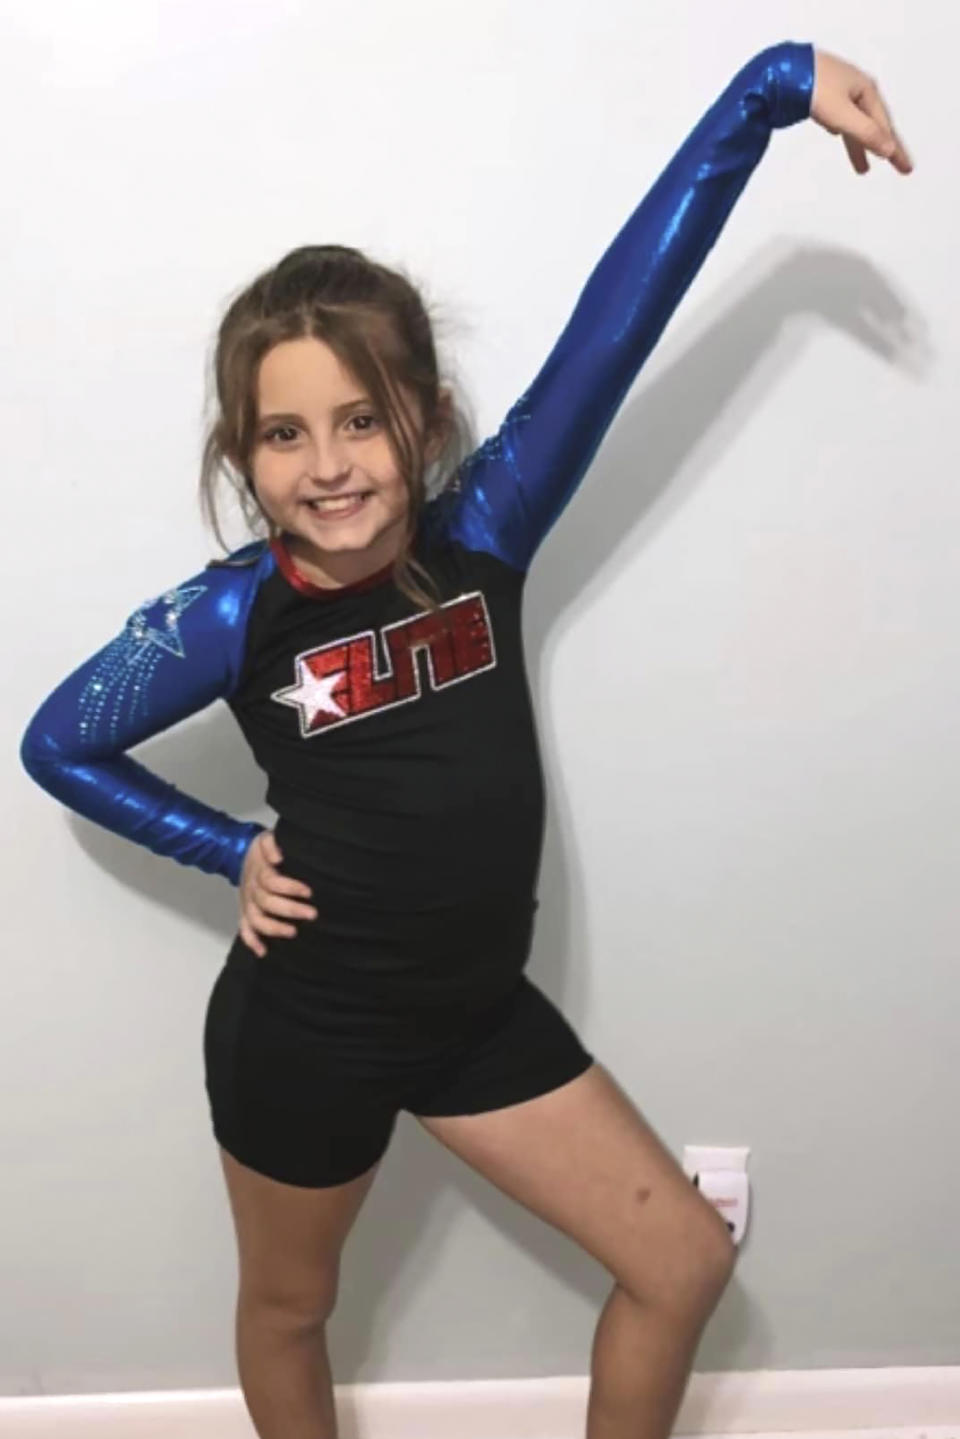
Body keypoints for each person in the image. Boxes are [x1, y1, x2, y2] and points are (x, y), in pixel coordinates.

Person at [20, 39, 911, 1439]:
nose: (328, 466)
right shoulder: (228, 614)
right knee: (289, 1312)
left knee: (678, 1264)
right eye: (284, 435)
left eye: (362, 420)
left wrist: (772, 88)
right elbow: (57, 741)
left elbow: (617, 325)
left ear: (423, 420)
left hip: (475, 1013)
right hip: (306, 1026)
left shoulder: (485, 534)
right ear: (241, 455)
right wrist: (225, 848)